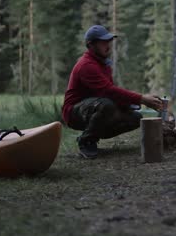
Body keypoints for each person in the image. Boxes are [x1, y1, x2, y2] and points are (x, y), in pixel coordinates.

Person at [61, 25, 163, 158]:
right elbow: (108, 91)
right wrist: (142, 98)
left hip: (92, 106)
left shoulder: (103, 64)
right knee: (106, 105)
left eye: (108, 41)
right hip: (73, 112)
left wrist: (129, 105)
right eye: (103, 42)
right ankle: (86, 141)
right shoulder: (86, 65)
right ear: (91, 45)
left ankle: (94, 133)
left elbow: (110, 93)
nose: (107, 45)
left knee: (135, 118)